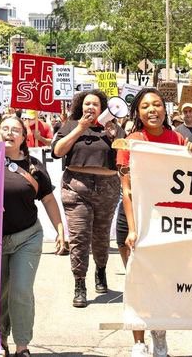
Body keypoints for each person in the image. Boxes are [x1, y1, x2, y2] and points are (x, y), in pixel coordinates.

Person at [116, 88, 192, 357]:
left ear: (165, 109)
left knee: (162, 282)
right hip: (134, 221)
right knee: (138, 281)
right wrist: (133, 228)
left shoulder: (178, 139)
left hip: (166, 222)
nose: (153, 110)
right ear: (138, 113)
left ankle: (159, 334)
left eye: (158, 105)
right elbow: (126, 188)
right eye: (146, 106)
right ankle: (138, 342)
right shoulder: (131, 142)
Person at [0, 114, 65, 357]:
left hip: (27, 237)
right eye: (4, 128)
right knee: (0, 294)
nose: (9, 133)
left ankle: (22, 345)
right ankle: (0, 340)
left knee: (20, 290)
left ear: (23, 137)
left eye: (15, 130)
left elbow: (47, 198)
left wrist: (59, 229)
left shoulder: (34, 166)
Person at [51, 89, 124, 308]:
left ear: (102, 108)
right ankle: (79, 284)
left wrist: (115, 136)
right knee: (79, 237)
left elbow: (125, 154)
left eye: (94, 104)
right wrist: (80, 129)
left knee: (101, 237)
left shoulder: (113, 128)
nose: (90, 107)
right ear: (80, 107)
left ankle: (100, 271)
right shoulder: (71, 126)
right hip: (77, 188)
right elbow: (57, 151)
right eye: (86, 104)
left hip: (107, 188)